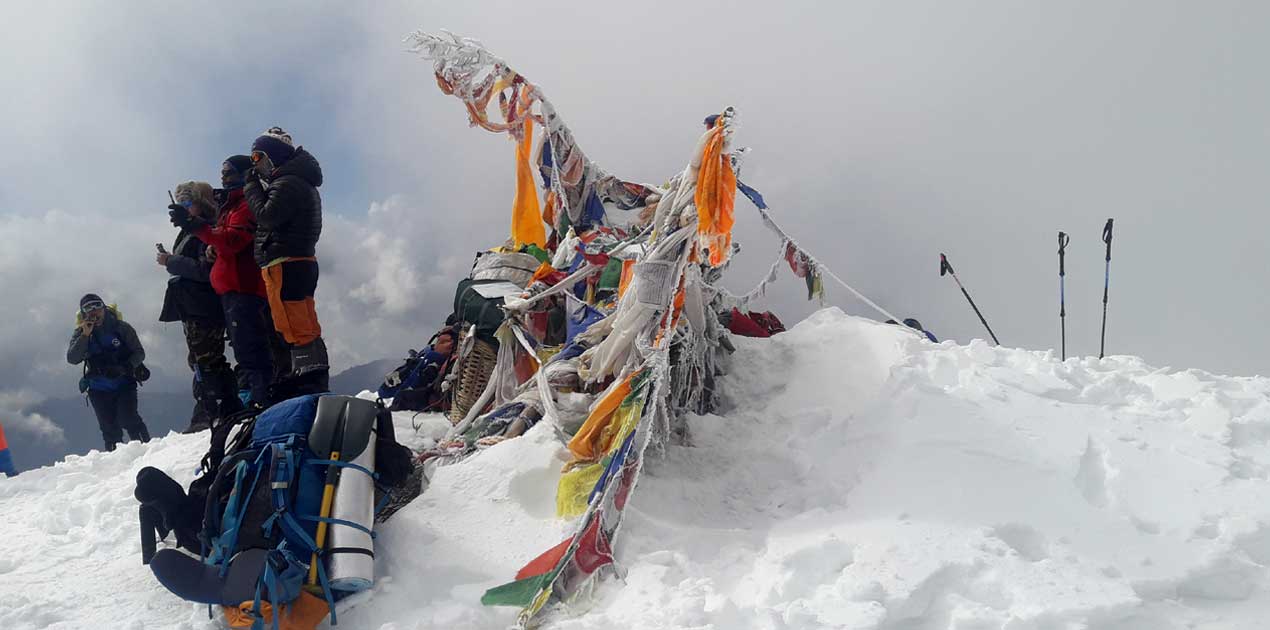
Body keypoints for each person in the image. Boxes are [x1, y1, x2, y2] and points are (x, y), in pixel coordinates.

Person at [172, 157, 276, 407]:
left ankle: (260, 401)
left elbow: (232, 241)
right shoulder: (230, 207)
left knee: (249, 349)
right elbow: (225, 242)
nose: (223, 177)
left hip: (241, 287)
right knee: (243, 349)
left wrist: (176, 255)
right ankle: (253, 400)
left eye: (228, 172)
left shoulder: (244, 206)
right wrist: (212, 249)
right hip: (229, 288)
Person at [244, 127, 330, 394]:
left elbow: (267, 216)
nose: (255, 165)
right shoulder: (299, 179)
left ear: (272, 155)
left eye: (258, 157)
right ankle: (311, 381)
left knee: (294, 326)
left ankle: (307, 385)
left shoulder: (289, 182)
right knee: (303, 322)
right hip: (298, 261)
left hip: (285, 262)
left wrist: (251, 188)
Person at [159, 181, 236, 433]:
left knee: (204, 359)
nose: (183, 208)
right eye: (180, 203)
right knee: (206, 357)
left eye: (187, 203)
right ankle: (229, 404)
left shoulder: (207, 230)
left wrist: (171, 261)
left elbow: (205, 270)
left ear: (200, 204)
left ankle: (206, 411)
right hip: (193, 304)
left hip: (203, 304)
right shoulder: (190, 231)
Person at [67, 294, 152, 451]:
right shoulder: (81, 333)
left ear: (104, 308)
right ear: (83, 313)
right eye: (88, 308)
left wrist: (125, 368)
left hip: (124, 383)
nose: (94, 311)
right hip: (98, 388)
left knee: (128, 419)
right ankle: (116, 460)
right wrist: (85, 335)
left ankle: (146, 450)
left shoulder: (121, 328)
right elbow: (72, 358)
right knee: (109, 429)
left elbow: (139, 353)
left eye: (97, 306)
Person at [385, 328, 457, 412]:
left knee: (402, 396)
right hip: (440, 393)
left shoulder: (438, 356)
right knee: (403, 395)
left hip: (436, 397)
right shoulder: (455, 356)